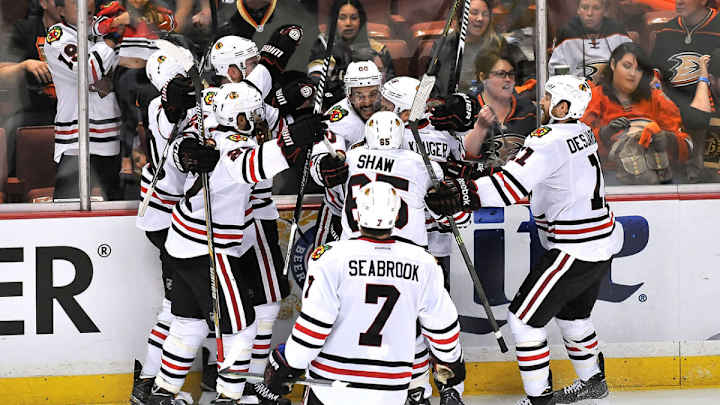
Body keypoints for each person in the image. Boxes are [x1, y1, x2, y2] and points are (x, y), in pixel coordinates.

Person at [425, 75, 623, 405]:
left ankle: (538, 399)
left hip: (573, 247)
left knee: (523, 321)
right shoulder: (582, 132)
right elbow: (542, 177)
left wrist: (463, 192)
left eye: (548, 98)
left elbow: (512, 186)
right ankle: (593, 381)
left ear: (562, 107)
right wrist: (480, 176)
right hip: (601, 238)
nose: (542, 102)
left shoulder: (548, 139)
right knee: (573, 317)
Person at [145, 78, 326, 404]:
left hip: (182, 242)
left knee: (188, 324)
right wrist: (291, 142)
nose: (256, 121)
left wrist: (288, 139)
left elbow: (182, 147)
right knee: (242, 328)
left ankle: (162, 392)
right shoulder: (232, 144)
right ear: (235, 117)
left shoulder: (210, 133)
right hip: (209, 248)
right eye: (250, 116)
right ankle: (229, 397)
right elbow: (250, 165)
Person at [260, 180, 466, 405]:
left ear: (356, 214)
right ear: (397, 216)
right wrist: (451, 361)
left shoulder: (330, 257)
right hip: (390, 390)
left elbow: (314, 327)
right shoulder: (423, 263)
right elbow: (442, 328)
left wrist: (287, 362)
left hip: (331, 386)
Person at [341, 110, 471, 405]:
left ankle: (415, 390)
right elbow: (454, 218)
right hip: (412, 259)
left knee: (394, 329)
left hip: (358, 259)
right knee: (433, 324)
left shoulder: (352, 158)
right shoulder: (421, 164)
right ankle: (448, 388)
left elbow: (331, 190)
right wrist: (450, 204)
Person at [130, 44, 199, 405]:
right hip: (168, 220)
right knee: (178, 307)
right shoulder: (160, 106)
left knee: (196, 305)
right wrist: (175, 102)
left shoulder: (194, 102)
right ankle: (148, 382)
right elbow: (169, 118)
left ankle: (154, 381)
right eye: (185, 76)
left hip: (183, 217)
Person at [44, 0, 123, 200]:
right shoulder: (58, 36)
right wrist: (112, 40)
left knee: (115, 210)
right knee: (67, 210)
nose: (85, 3)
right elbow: (88, 70)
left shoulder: (106, 25)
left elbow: (126, 70)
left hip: (112, 139)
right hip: (75, 143)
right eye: (74, 1)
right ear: (60, 10)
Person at [582, 43, 692, 184]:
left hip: (656, 176)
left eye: (639, 69)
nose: (632, 74)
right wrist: (604, 133)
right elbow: (578, 146)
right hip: (609, 176)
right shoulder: (594, 98)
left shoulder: (656, 98)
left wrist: (669, 140)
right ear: (613, 65)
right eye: (627, 66)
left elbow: (687, 146)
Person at [91, 0, 175, 183]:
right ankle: (126, 161)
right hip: (125, 71)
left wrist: (157, 19)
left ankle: (155, 162)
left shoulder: (156, 10)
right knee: (128, 118)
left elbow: (171, 24)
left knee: (151, 119)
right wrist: (116, 22)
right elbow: (95, 28)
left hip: (149, 73)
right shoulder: (116, 9)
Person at [308, 60, 384, 250]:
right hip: (339, 212)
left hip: (384, 213)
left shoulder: (390, 109)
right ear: (349, 94)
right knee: (324, 264)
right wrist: (324, 167)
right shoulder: (337, 118)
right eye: (359, 95)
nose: (367, 102)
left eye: (372, 94)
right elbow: (317, 160)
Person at [650, 0, 720, 182]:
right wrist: (655, 81)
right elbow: (655, 68)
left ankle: (703, 162)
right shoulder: (667, 30)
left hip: (712, 100)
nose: (679, 2)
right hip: (674, 101)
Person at [0, 0, 61, 177]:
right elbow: (2, 71)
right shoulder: (25, 29)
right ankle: (10, 183)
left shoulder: (80, 32)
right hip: (35, 109)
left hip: (72, 110)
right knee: (13, 126)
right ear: (43, 3)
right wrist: (24, 65)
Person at [307, 0, 395, 106]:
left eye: (354, 18)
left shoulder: (378, 50)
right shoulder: (324, 46)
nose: (348, 23)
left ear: (361, 21)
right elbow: (316, 82)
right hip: (335, 106)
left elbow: (390, 89)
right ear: (334, 21)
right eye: (342, 18)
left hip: (372, 107)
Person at [431, 0, 528, 95]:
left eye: (485, 14)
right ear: (461, 17)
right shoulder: (443, 46)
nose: (480, 18)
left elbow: (525, 77)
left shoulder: (500, 44)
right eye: (474, 13)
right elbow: (433, 86)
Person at [465, 51, 537, 169]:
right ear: (483, 77)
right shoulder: (468, 109)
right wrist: (480, 129)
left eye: (511, 74)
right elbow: (462, 157)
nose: (508, 79)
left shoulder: (528, 110)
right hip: (481, 179)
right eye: (501, 74)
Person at [548, 0, 632, 81]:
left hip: (610, 88)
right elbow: (556, 71)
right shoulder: (566, 33)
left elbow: (632, 63)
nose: (589, 13)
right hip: (576, 88)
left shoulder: (617, 32)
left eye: (596, 8)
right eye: (584, 7)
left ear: (604, 10)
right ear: (578, 10)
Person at [683, 50, 720, 181]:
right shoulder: (701, 99)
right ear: (712, 79)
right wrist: (703, 78)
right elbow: (698, 118)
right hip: (702, 180)